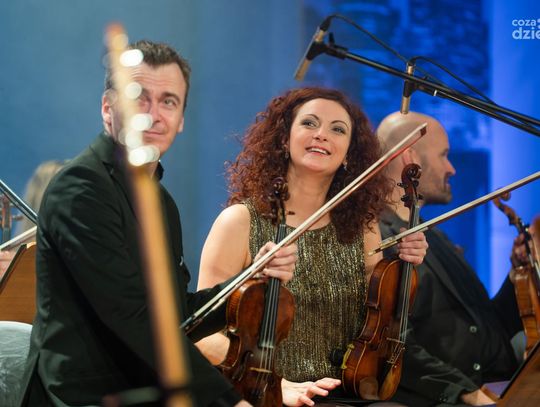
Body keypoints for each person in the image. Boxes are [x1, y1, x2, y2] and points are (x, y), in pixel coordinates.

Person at [17, 40, 297, 407]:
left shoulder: (162, 202)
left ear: (180, 120)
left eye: (168, 101)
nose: (153, 114)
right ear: (107, 108)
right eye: (139, 98)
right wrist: (229, 401)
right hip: (82, 397)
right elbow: (132, 316)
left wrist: (250, 279)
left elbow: (177, 314)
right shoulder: (80, 188)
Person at [196, 87, 428, 406]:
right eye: (309, 123)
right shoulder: (239, 222)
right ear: (284, 139)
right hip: (266, 395)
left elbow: (380, 320)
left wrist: (404, 265)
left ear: (349, 153)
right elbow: (202, 336)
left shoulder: (362, 226)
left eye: (338, 129)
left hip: (346, 392)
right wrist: (278, 384)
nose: (322, 135)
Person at [376, 111, 524, 407]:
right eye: (444, 155)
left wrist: (517, 275)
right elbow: (391, 342)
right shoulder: (380, 237)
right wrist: (464, 392)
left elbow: (489, 325)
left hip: (495, 385)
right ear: (410, 157)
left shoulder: (437, 236)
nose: (452, 168)